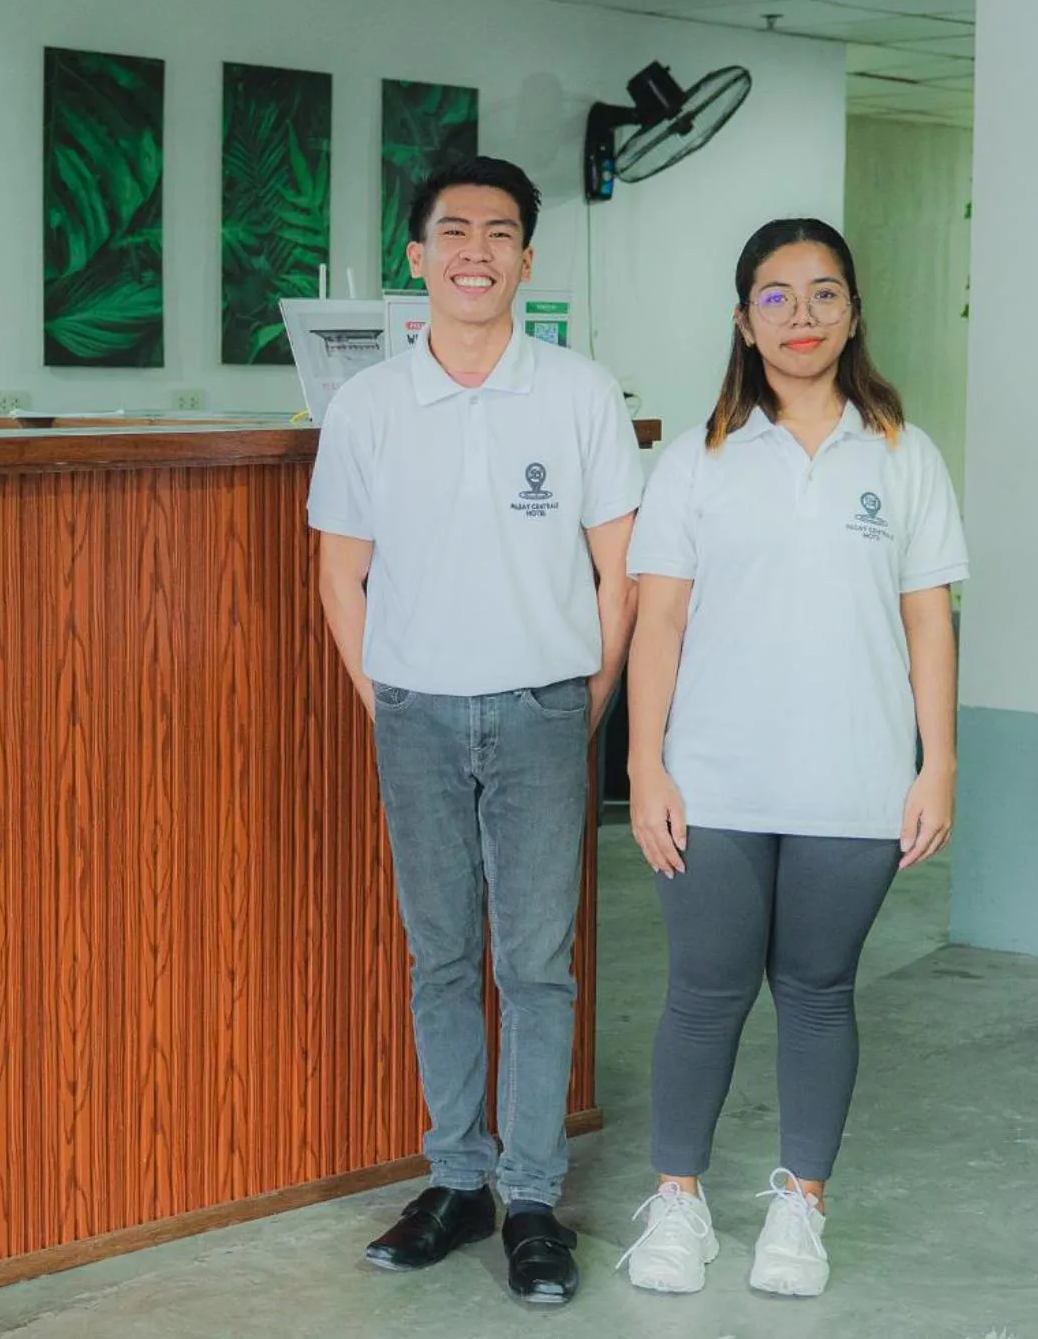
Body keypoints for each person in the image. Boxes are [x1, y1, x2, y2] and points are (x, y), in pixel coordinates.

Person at [305, 155, 645, 1305]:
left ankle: (532, 1198)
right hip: (412, 715)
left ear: (525, 260)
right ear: (416, 255)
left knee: (534, 966)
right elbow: (339, 578)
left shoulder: (577, 392)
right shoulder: (367, 406)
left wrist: (578, 706)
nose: (474, 252)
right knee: (441, 956)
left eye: (499, 234)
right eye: (452, 231)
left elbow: (618, 573)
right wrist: (387, 696)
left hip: (545, 709)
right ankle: (456, 1180)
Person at [616, 217, 968, 1298]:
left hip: (853, 784)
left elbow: (926, 621)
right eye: (775, 295)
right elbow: (657, 624)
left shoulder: (902, 453)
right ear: (741, 319)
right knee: (702, 993)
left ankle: (797, 1209)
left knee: (816, 993)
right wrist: (644, 766)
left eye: (822, 294)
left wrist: (935, 764)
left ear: (852, 312)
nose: (800, 316)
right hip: (713, 782)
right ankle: (676, 1205)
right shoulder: (696, 459)